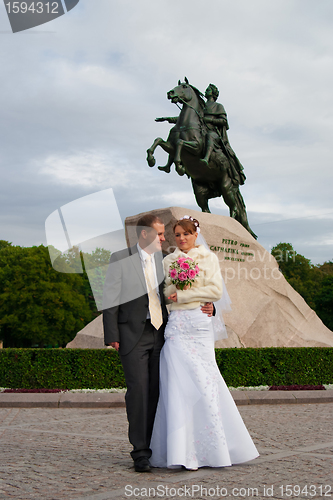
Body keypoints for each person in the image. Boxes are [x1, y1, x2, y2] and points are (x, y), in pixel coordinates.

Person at [102, 214, 214, 473]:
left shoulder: (165, 260)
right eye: (161, 234)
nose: (165, 239)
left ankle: (156, 449)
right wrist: (113, 335)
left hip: (162, 334)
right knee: (139, 393)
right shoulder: (120, 259)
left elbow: (184, 289)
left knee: (158, 393)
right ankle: (140, 453)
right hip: (132, 336)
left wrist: (208, 305)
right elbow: (110, 299)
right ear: (144, 235)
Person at [150, 216, 259, 470]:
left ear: (195, 235)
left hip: (199, 323)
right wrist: (175, 292)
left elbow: (215, 291)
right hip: (177, 325)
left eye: (185, 234)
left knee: (205, 381)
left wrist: (186, 292)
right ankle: (179, 450)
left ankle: (214, 449)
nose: (181, 239)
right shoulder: (168, 260)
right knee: (176, 383)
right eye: (177, 235)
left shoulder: (208, 258)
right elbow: (165, 292)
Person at [202, 84, 246, 187]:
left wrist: (210, 120)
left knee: (210, 136)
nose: (205, 91)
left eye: (208, 90)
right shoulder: (201, 106)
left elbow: (224, 121)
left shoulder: (218, 106)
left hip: (213, 133)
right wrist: (169, 119)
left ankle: (206, 158)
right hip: (201, 131)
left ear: (213, 93)